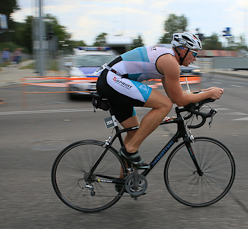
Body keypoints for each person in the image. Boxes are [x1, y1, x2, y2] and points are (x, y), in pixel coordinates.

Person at [96, 32, 224, 168]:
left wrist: (204, 92)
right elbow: (179, 101)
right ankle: (130, 150)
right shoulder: (170, 62)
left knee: (134, 133)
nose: (195, 59)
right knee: (164, 105)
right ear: (183, 50)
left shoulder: (167, 58)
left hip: (112, 80)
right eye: (195, 54)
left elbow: (176, 95)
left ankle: (124, 181)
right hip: (113, 80)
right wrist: (208, 95)